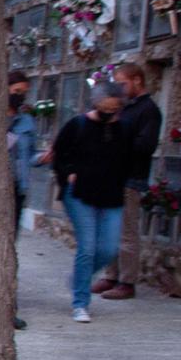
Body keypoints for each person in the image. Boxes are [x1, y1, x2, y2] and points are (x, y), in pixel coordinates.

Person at [53, 90, 130, 324]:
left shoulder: (123, 130)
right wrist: (68, 175)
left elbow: (130, 159)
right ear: (95, 104)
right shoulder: (77, 125)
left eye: (112, 109)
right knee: (87, 247)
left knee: (108, 248)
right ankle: (80, 303)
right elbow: (59, 155)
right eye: (104, 108)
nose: (108, 113)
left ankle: (79, 278)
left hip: (111, 195)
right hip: (79, 194)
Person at [96, 62, 162, 301]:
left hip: (130, 178)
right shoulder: (123, 108)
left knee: (126, 232)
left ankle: (127, 281)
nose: (120, 89)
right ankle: (110, 275)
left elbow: (146, 145)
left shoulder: (148, 110)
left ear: (137, 80)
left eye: (123, 84)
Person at [5, 69, 37, 332]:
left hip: (17, 189)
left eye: (24, 92)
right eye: (16, 92)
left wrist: (45, 158)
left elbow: (29, 155)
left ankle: (6, 307)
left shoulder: (27, 122)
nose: (21, 96)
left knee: (7, 250)